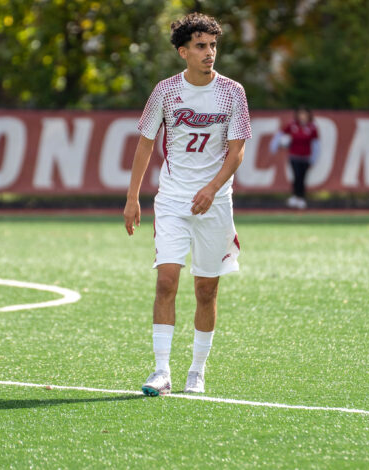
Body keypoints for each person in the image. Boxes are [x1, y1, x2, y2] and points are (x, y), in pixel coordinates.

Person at [123, 12, 251, 396]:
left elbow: (237, 150)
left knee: (206, 290)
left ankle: (197, 370)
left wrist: (212, 188)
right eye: (200, 46)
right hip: (174, 200)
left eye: (213, 45)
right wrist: (132, 198)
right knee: (166, 281)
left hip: (215, 203)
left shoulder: (233, 92)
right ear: (183, 52)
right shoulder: (164, 91)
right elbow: (145, 142)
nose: (209, 53)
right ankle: (161, 371)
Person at [272, 106, 319, 209]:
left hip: (306, 157)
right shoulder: (292, 125)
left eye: (304, 114)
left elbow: (315, 144)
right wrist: (274, 146)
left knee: (302, 177)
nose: (302, 116)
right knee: (296, 176)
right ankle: (295, 196)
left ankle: (301, 197)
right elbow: (280, 134)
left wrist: (314, 158)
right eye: (300, 114)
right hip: (294, 156)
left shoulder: (312, 127)